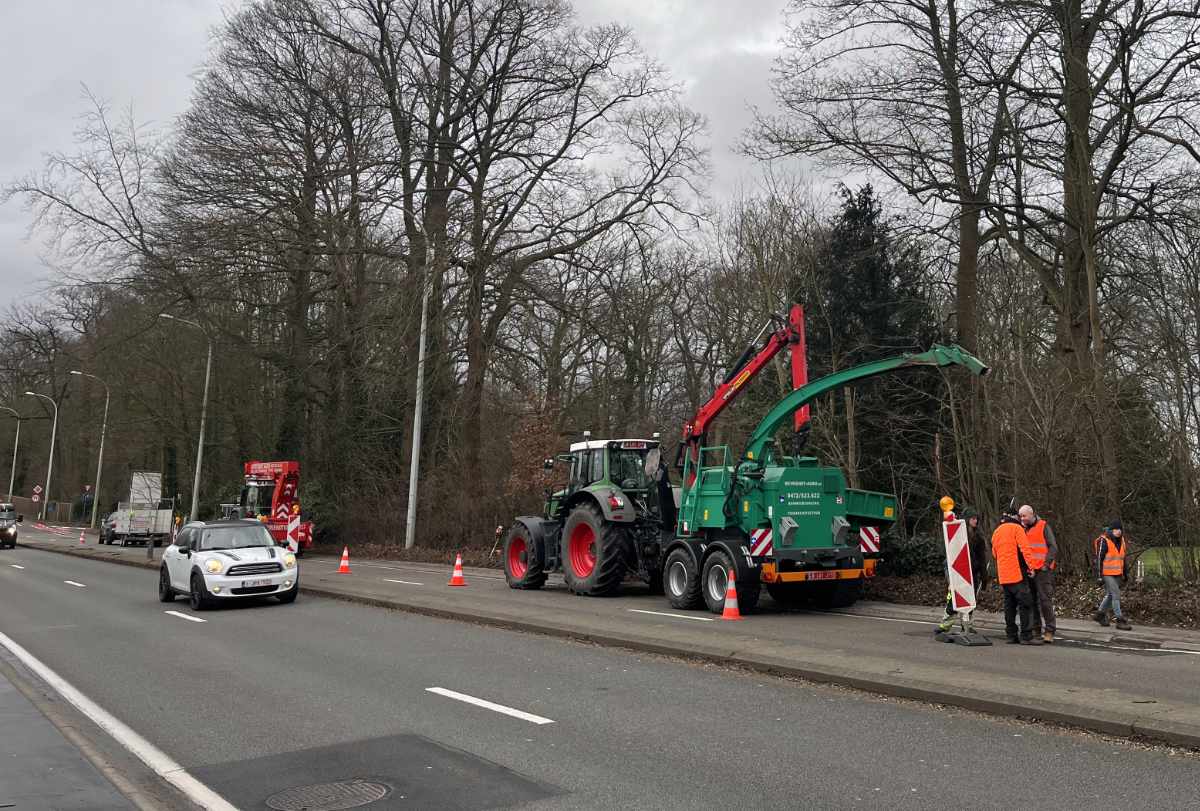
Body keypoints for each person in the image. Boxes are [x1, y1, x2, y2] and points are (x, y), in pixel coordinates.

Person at [992, 510, 1041, 644]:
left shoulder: (997, 531)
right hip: (1017, 574)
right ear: (1016, 518)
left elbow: (994, 553)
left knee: (1009, 606)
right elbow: (1025, 549)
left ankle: (1011, 635)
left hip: (1003, 575)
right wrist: (1031, 567)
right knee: (1026, 604)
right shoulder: (1017, 529)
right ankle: (1026, 636)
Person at [936, 506, 988, 633]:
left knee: (970, 601)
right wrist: (949, 578)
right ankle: (945, 624)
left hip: (972, 574)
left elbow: (982, 558)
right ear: (967, 519)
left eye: (977, 518)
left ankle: (967, 626)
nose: (976, 521)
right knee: (953, 599)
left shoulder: (978, 538)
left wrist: (984, 576)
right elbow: (949, 555)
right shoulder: (957, 534)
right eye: (973, 518)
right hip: (957, 573)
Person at [1019, 504, 1058, 643]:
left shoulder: (1043, 526)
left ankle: (1049, 630)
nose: (1022, 518)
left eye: (1024, 516)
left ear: (1032, 514)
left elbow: (1053, 547)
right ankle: (1036, 628)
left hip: (1042, 571)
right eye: (1020, 516)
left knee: (1045, 600)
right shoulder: (1022, 529)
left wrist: (1046, 565)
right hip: (1030, 570)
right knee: (1032, 601)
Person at [1093, 520, 1133, 630]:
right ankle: (1120, 620)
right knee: (1116, 594)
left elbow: (1123, 559)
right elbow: (1099, 559)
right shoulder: (1104, 540)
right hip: (1106, 573)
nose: (1119, 531)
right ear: (1111, 530)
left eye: (1120, 529)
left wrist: (1125, 573)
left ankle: (1100, 614)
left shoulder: (1122, 541)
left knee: (1110, 595)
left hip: (1117, 573)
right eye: (1116, 529)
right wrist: (1099, 576)